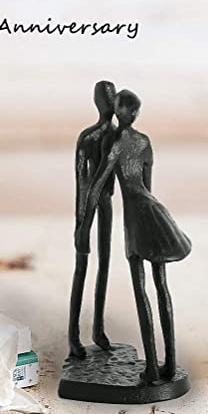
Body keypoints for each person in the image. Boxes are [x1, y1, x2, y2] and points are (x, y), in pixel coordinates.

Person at [76, 89, 191, 382]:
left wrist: (85, 226)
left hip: (135, 220)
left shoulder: (115, 142)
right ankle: (169, 362)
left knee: (142, 291)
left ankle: (152, 366)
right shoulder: (144, 141)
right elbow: (147, 185)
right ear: (136, 113)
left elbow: (97, 186)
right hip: (154, 211)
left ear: (120, 111)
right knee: (162, 286)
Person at [68, 80, 117, 358]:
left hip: (107, 202)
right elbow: (81, 181)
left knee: (105, 264)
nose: (110, 103)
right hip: (88, 203)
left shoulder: (118, 136)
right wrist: (81, 223)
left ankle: (98, 329)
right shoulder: (88, 138)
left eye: (113, 98)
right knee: (82, 266)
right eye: (106, 98)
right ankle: (74, 336)